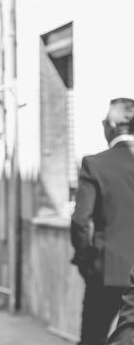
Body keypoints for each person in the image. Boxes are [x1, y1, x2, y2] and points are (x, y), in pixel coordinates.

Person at [71, 97, 134, 345]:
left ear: (111, 125)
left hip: (107, 272)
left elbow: (80, 221)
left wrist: (85, 259)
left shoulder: (95, 164)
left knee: (93, 339)